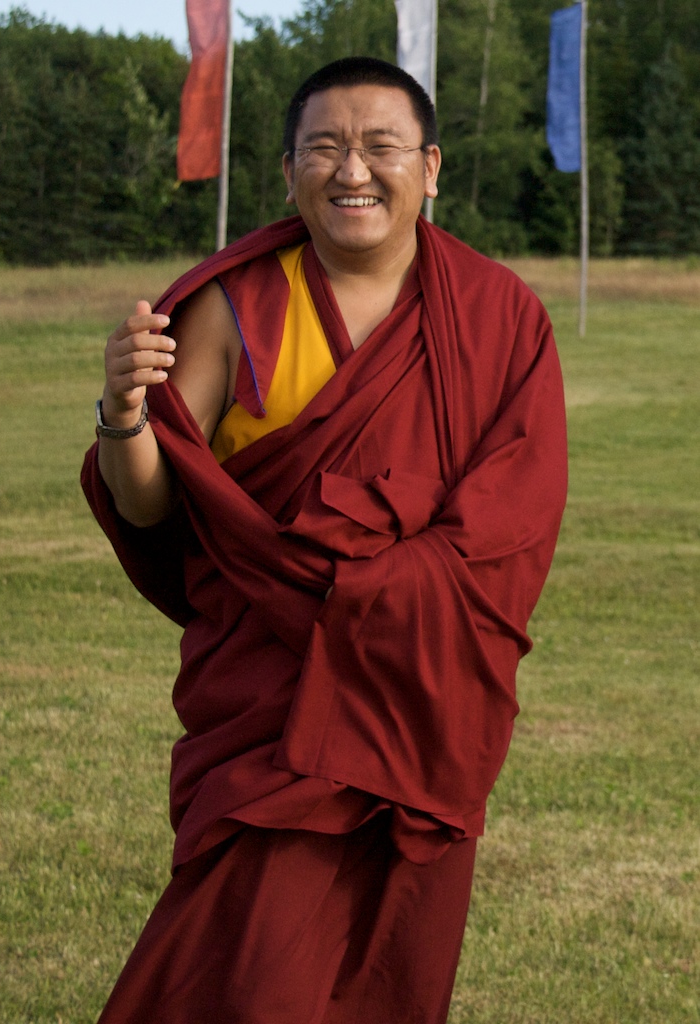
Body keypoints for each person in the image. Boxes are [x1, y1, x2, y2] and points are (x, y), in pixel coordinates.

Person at [81, 56, 567, 1024]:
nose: (353, 170)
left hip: (417, 685)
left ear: (429, 168)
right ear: (288, 170)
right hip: (272, 694)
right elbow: (151, 507)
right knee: (241, 966)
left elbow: (512, 520)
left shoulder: (497, 315)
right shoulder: (231, 306)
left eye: (381, 146)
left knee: (384, 968)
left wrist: (373, 598)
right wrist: (123, 415)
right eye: (325, 148)